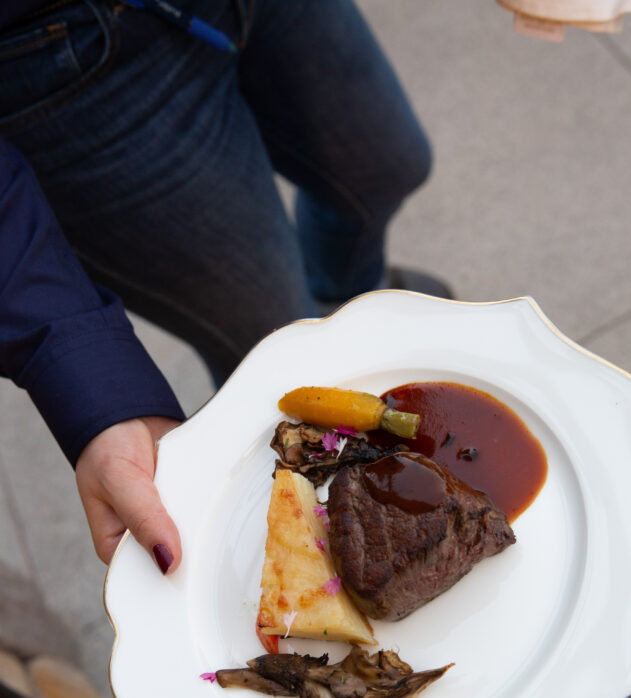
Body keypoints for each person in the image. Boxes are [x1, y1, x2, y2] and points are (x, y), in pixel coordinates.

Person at [0, 0, 450, 574]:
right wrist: (92, 383)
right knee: (274, 336)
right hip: (56, 61)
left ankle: (342, 291)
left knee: (389, 164)